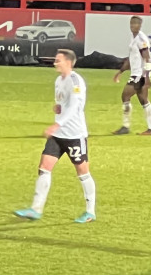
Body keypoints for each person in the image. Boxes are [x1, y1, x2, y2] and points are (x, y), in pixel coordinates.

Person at [14, 49, 96, 223]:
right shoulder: (59, 80)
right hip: (58, 136)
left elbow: (75, 108)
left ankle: (90, 211)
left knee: (82, 172)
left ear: (68, 62)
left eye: (58, 60)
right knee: (44, 166)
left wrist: (56, 124)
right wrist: (58, 108)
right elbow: (63, 104)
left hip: (74, 135)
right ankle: (35, 209)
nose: (55, 63)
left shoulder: (76, 81)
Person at [111, 16, 151, 136]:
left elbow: (147, 58)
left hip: (140, 74)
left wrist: (146, 76)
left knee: (125, 96)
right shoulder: (133, 37)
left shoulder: (141, 39)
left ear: (140, 25)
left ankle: (126, 126)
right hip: (137, 73)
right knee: (144, 101)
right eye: (131, 24)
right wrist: (120, 72)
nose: (132, 26)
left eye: (135, 24)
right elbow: (131, 58)